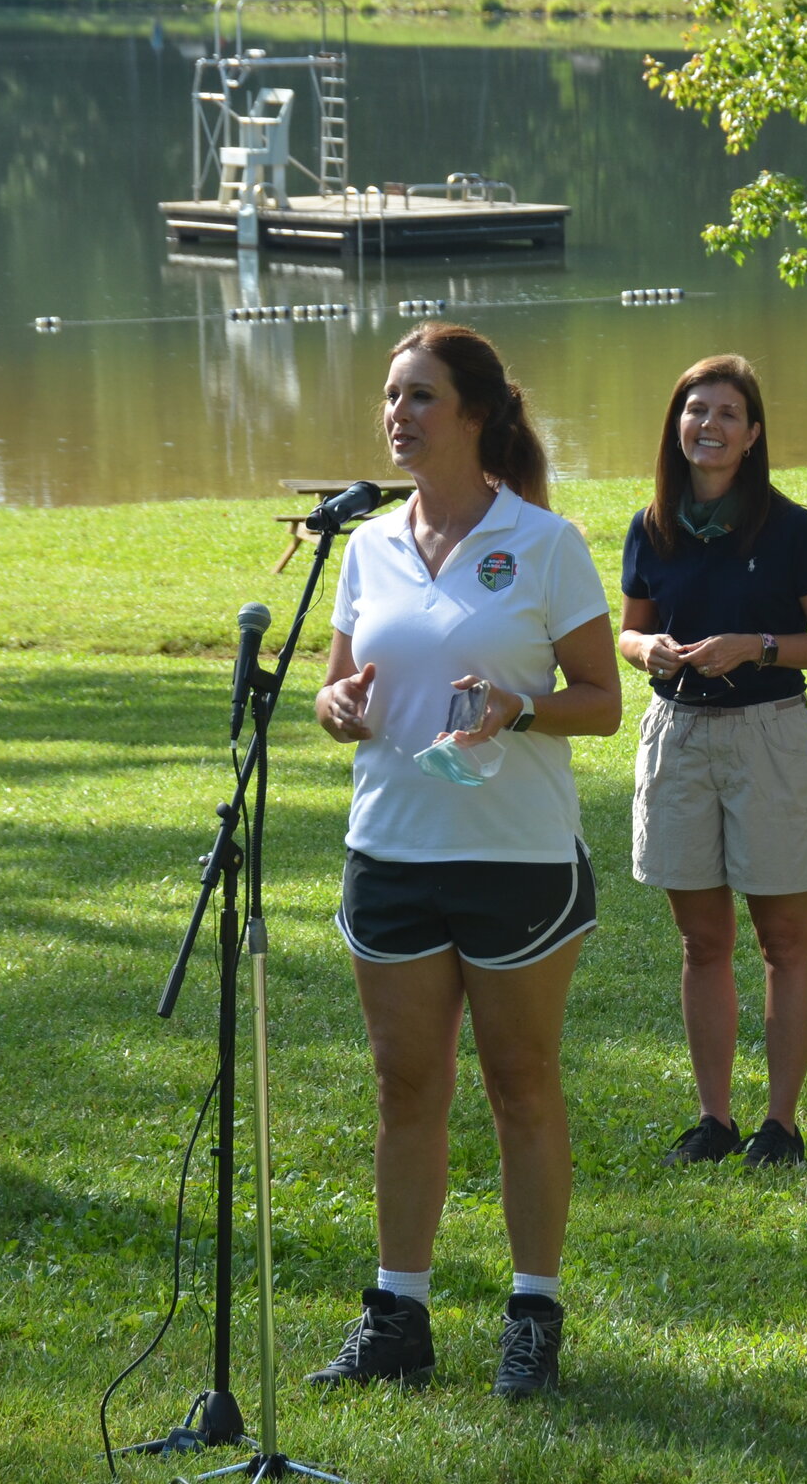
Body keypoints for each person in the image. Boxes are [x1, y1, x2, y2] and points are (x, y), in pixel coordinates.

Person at [307, 323, 620, 1399]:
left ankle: (532, 1311)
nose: (398, 415)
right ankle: (399, 1313)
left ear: (475, 414)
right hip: (392, 849)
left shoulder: (544, 543)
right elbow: (338, 687)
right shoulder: (365, 546)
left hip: (518, 863)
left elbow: (603, 702)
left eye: (420, 397)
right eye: (391, 397)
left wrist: (519, 709)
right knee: (405, 1086)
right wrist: (334, 706)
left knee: (521, 1084)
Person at [616, 355, 807, 1168]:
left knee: (783, 939)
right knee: (700, 941)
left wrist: (756, 646)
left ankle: (779, 1125)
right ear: (676, 428)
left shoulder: (792, 529)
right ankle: (714, 1120)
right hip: (677, 737)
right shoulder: (652, 526)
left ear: (752, 436)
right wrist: (647, 648)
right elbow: (628, 629)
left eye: (725, 414)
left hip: (768, 736)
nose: (707, 426)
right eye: (694, 411)